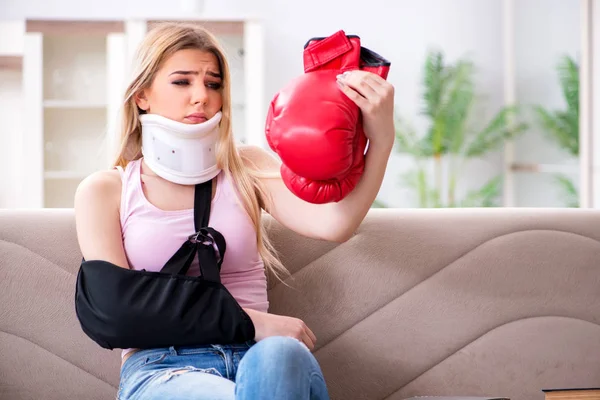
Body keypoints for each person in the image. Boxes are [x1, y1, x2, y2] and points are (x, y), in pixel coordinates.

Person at [74, 22, 395, 400]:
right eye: (182, 82)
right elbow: (115, 312)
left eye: (213, 83)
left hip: (263, 360)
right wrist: (249, 322)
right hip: (164, 368)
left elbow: (335, 223)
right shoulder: (105, 191)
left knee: (281, 354)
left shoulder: (247, 166)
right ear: (142, 95)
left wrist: (382, 136)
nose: (202, 97)